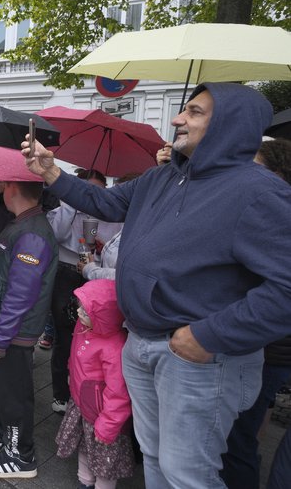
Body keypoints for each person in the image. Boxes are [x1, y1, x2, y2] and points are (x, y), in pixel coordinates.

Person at [22, 83, 291, 488]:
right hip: (141, 342)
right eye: (183, 110)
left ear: (230, 126)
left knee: (189, 474)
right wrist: (51, 172)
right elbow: (107, 203)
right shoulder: (163, 177)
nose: (177, 119)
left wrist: (208, 334)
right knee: (155, 459)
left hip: (197, 359)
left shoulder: (258, 192)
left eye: (195, 112)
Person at [0, 179, 57, 479]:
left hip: (12, 334)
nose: (0, 191)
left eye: (3, 186)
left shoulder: (32, 234)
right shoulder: (20, 223)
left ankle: (21, 455)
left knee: (13, 395)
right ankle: (3, 433)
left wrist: (1, 338)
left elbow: (21, 295)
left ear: (14, 189)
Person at [221, 137, 291, 489]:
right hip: (253, 347)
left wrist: (205, 334)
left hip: (265, 350)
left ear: (278, 175)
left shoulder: (276, 218)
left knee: (237, 440)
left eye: (255, 167)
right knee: (239, 433)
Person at [46, 170, 123, 416]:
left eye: (97, 191)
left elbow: (105, 250)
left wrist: (95, 256)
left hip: (95, 275)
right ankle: (61, 394)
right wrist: (71, 203)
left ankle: (85, 392)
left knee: (93, 337)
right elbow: (54, 235)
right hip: (66, 272)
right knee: (64, 335)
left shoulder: (109, 213)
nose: (90, 196)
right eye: (86, 190)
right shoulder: (66, 209)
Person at [55, 279, 135, 489]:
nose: (80, 312)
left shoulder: (115, 347)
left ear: (106, 316)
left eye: (88, 311)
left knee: (105, 463)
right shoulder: (83, 327)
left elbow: (119, 393)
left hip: (103, 416)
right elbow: (74, 358)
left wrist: (108, 425)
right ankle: (85, 483)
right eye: (81, 306)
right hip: (82, 406)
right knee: (84, 448)